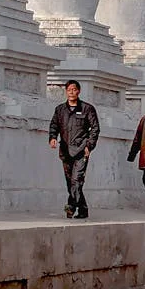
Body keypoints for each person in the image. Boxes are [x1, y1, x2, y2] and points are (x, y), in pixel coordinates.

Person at [49, 80, 100, 219]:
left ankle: (70, 207)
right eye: (69, 90)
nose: (71, 92)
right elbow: (54, 125)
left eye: (74, 89)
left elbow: (95, 128)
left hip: (81, 151)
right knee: (69, 182)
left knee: (76, 180)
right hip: (65, 151)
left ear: (79, 91)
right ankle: (83, 209)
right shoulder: (60, 109)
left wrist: (89, 145)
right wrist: (52, 137)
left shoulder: (87, 108)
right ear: (66, 92)